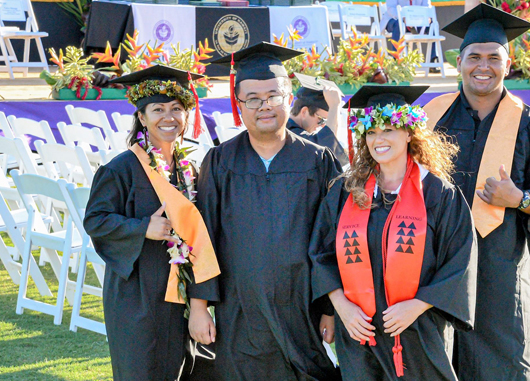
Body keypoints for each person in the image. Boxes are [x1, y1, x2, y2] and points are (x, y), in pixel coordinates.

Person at [423, 4, 530, 380]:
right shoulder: (431, 117)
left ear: (507, 64)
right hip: (436, 265)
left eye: (494, 57)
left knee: (504, 362)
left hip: (502, 266)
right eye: (474, 56)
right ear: (458, 61)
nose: (483, 66)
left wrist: (521, 199)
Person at [190, 42, 341, 380]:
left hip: (302, 307)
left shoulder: (317, 161)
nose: (265, 106)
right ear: (238, 104)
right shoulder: (220, 161)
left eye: (273, 96)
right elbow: (204, 237)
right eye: (253, 99)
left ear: (289, 98)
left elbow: (331, 239)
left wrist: (329, 309)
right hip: (240, 305)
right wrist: (199, 306)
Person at [309, 85, 478, 380]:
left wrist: (417, 305)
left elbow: (460, 261)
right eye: (371, 132)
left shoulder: (439, 195)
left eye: (388, 129)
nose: (379, 139)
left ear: (410, 133)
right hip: (360, 332)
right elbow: (321, 254)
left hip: (417, 329)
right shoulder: (347, 192)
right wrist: (341, 307)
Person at [83, 65, 221, 381]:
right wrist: (142, 228)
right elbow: (95, 220)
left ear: (187, 115)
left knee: (180, 370)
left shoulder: (190, 171)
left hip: (178, 296)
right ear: (142, 118)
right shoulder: (122, 169)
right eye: (158, 109)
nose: (168, 117)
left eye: (176, 108)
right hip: (137, 297)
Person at [288, 86, 349, 167]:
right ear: (304, 112)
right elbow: (327, 149)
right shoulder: (288, 135)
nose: (323, 125)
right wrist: (334, 106)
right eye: (321, 119)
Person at [381, 0, 439, 72]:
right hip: (394, 19)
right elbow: (391, 9)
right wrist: (402, 17)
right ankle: (396, 60)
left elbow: (427, 7)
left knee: (433, 25)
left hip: (416, 20)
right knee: (399, 24)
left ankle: (433, 60)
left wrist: (428, 17)